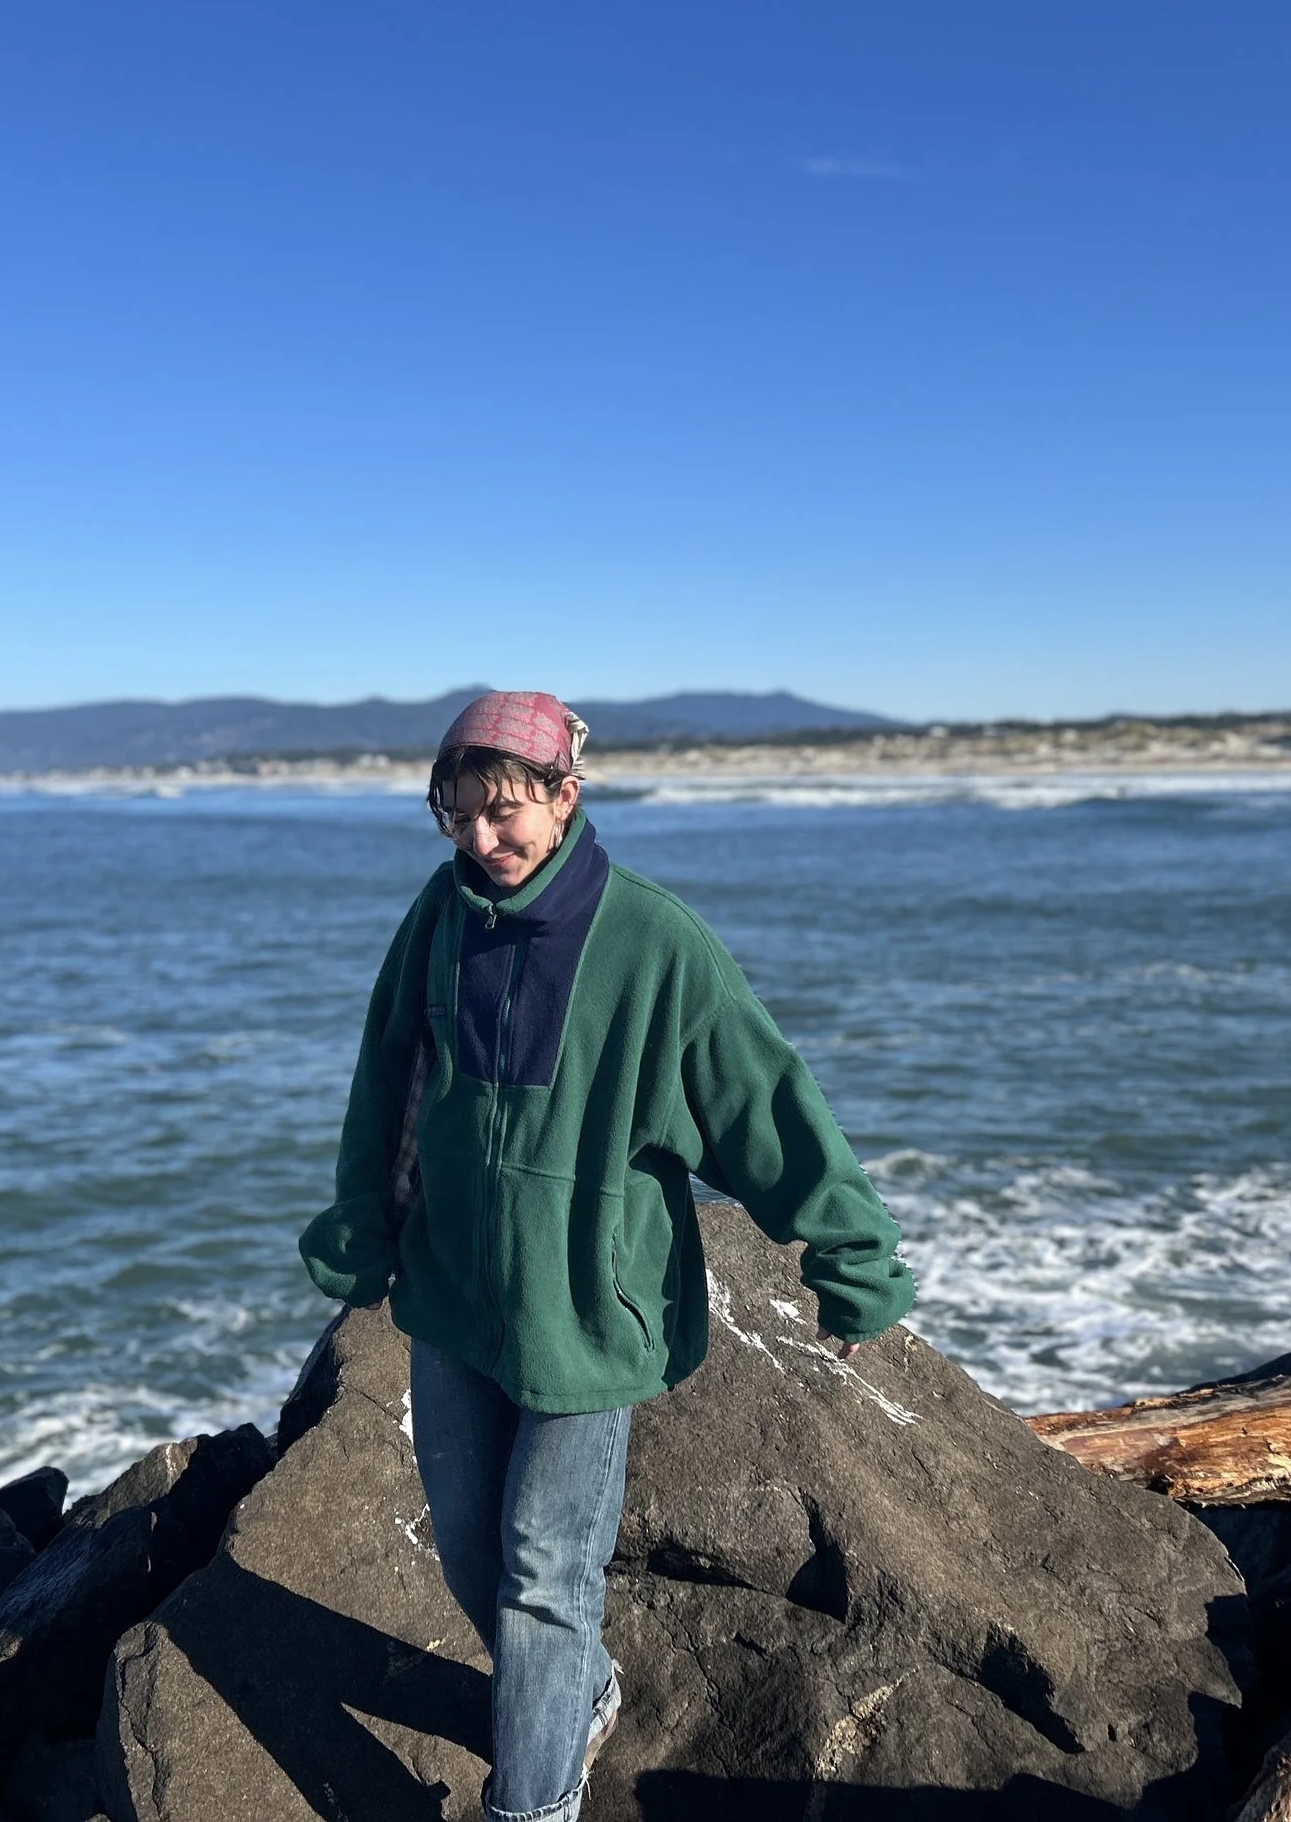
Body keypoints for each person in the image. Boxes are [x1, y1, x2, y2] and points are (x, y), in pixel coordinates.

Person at [299, 690, 914, 1822]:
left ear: (565, 796)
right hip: (453, 1296)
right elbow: (390, 1083)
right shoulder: (440, 917)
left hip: (586, 1312)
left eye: (503, 812)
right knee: (469, 1553)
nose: (481, 838)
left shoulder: (652, 940)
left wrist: (852, 1255)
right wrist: (363, 1228)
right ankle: (579, 1690)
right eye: (457, 816)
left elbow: (765, 1104)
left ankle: (534, 1804)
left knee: (542, 1576)